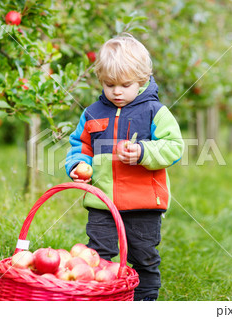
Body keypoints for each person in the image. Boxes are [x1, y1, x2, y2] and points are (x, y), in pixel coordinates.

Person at [65, 35, 184, 301]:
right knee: (96, 256)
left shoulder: (155, 111)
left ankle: (144, 302)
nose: (117, 91)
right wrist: (78, 164)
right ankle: (99, 299)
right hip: (102, 203)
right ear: (101, 81)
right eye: (110, 85)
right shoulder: (92, 113)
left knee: (143, 257)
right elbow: (80, 146)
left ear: (142, 81)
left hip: (144, 203)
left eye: (125, 85)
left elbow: (175, 147)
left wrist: (144, 152)